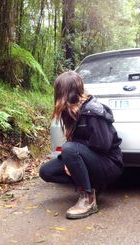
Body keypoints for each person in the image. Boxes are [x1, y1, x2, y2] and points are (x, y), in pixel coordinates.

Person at [39, 71, 124, 219]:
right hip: (89, 158)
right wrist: (70, 160)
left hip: (109, 163)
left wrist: (72, 154)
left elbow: (103, 145)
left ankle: (88, 199)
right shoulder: (70, 111)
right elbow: (75, 144)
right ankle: (92, 185)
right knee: (46, 171)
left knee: (69, 149)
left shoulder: (92, 111)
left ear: (64, 91)